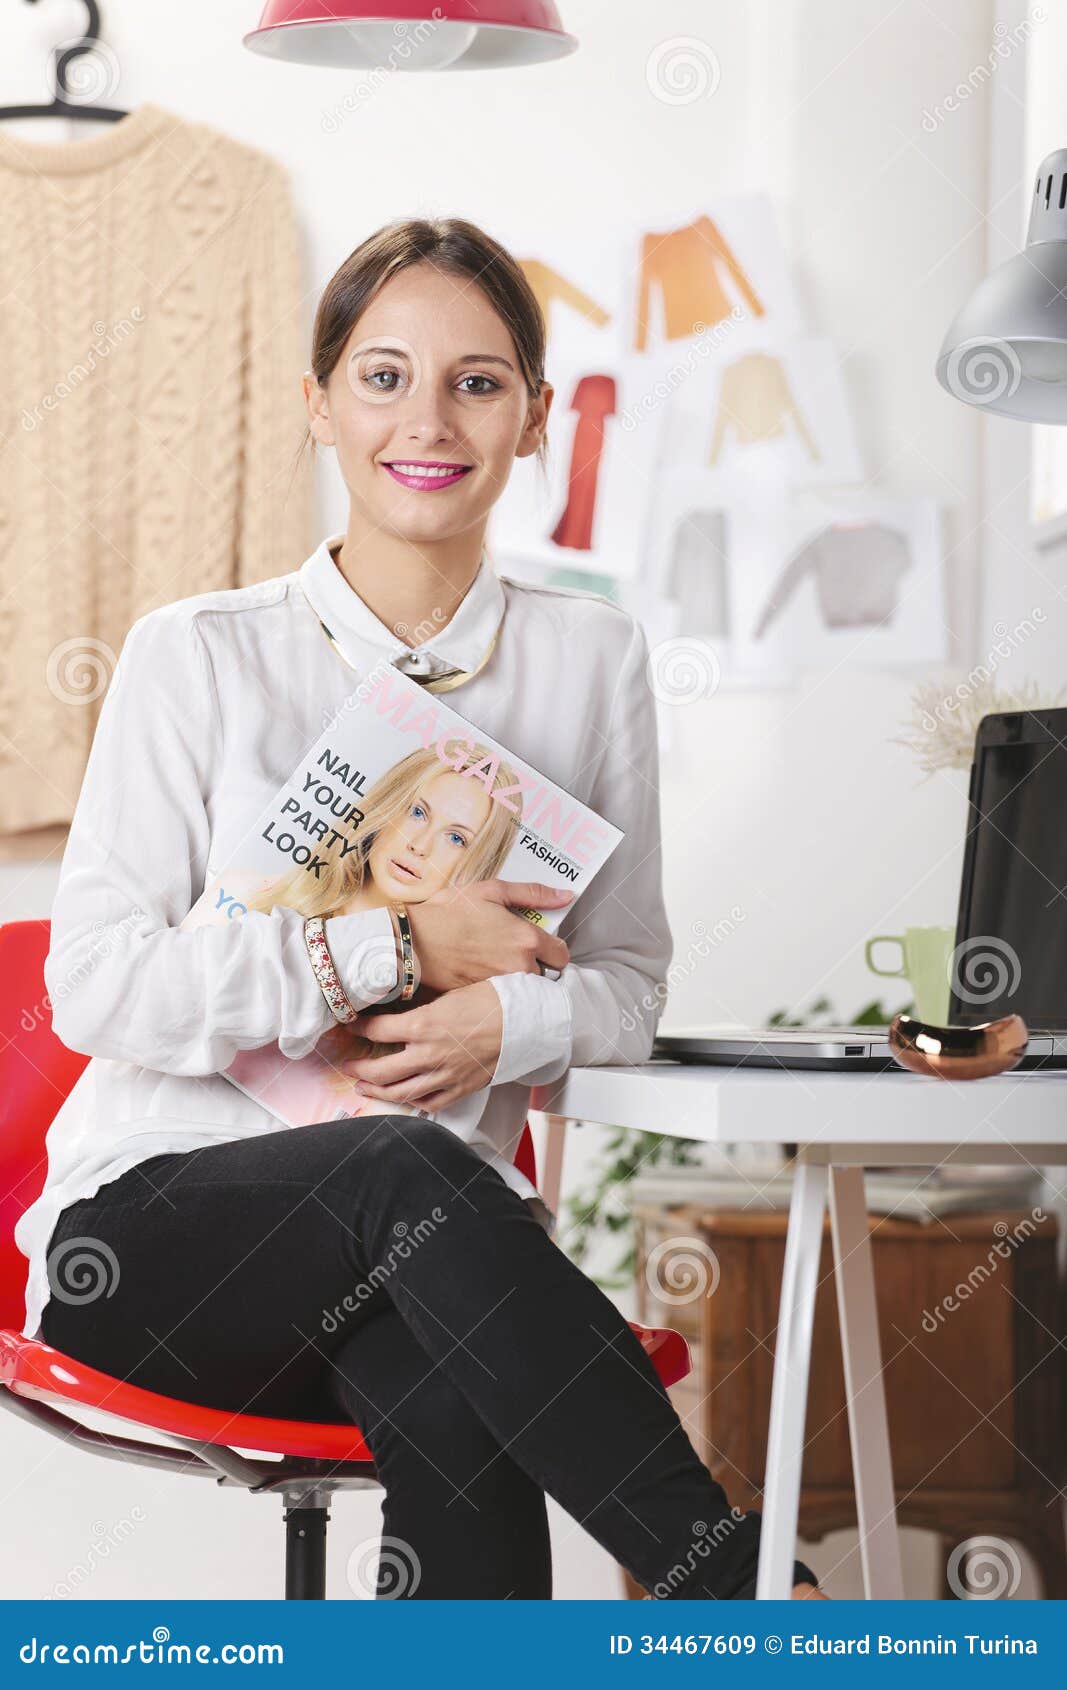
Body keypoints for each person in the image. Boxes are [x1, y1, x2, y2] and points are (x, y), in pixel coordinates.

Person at [18, 217, 824, 1602]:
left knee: (456, 1391)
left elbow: (626, 986)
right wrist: (387, 947)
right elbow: (94, 985)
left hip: (423, 1262)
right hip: (154, 1247)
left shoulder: (588, 656)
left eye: (478, 381)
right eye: (384, 377)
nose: (428, 420)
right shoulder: (198, 653)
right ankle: (738, 1594)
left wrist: (502, 1021)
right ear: (320, 403)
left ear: (533, 418)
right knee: (411, 1171)